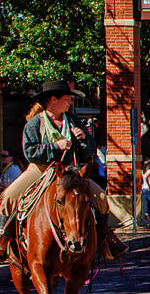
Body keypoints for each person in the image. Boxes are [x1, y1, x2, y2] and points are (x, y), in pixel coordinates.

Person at [0, 80, 127, 261]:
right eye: (67, 99)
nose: (70, 102)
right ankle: (4, 240)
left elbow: (89, 150)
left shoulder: (73, 120)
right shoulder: (35, 123)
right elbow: (29, 152)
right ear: (53, 100)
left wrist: (84, 140)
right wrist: (55, 146)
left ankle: (106, 238)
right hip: (41, 169)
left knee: (100, 197)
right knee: (9, 196)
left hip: (69, 170)